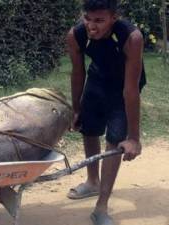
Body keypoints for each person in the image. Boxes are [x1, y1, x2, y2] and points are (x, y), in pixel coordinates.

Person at [66, 0, 146, 224]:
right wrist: (76, 108)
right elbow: (77, 72)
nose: (92, 26)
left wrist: (134, 138)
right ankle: (93, 182)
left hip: (124, 85)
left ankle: (101, 206)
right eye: (88, 18)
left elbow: (130, 90)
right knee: (89, 128)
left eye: (99, 20)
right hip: (97, 80)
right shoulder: (76, 34)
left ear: (113, 18)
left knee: (115, 139)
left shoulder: (132, 38)